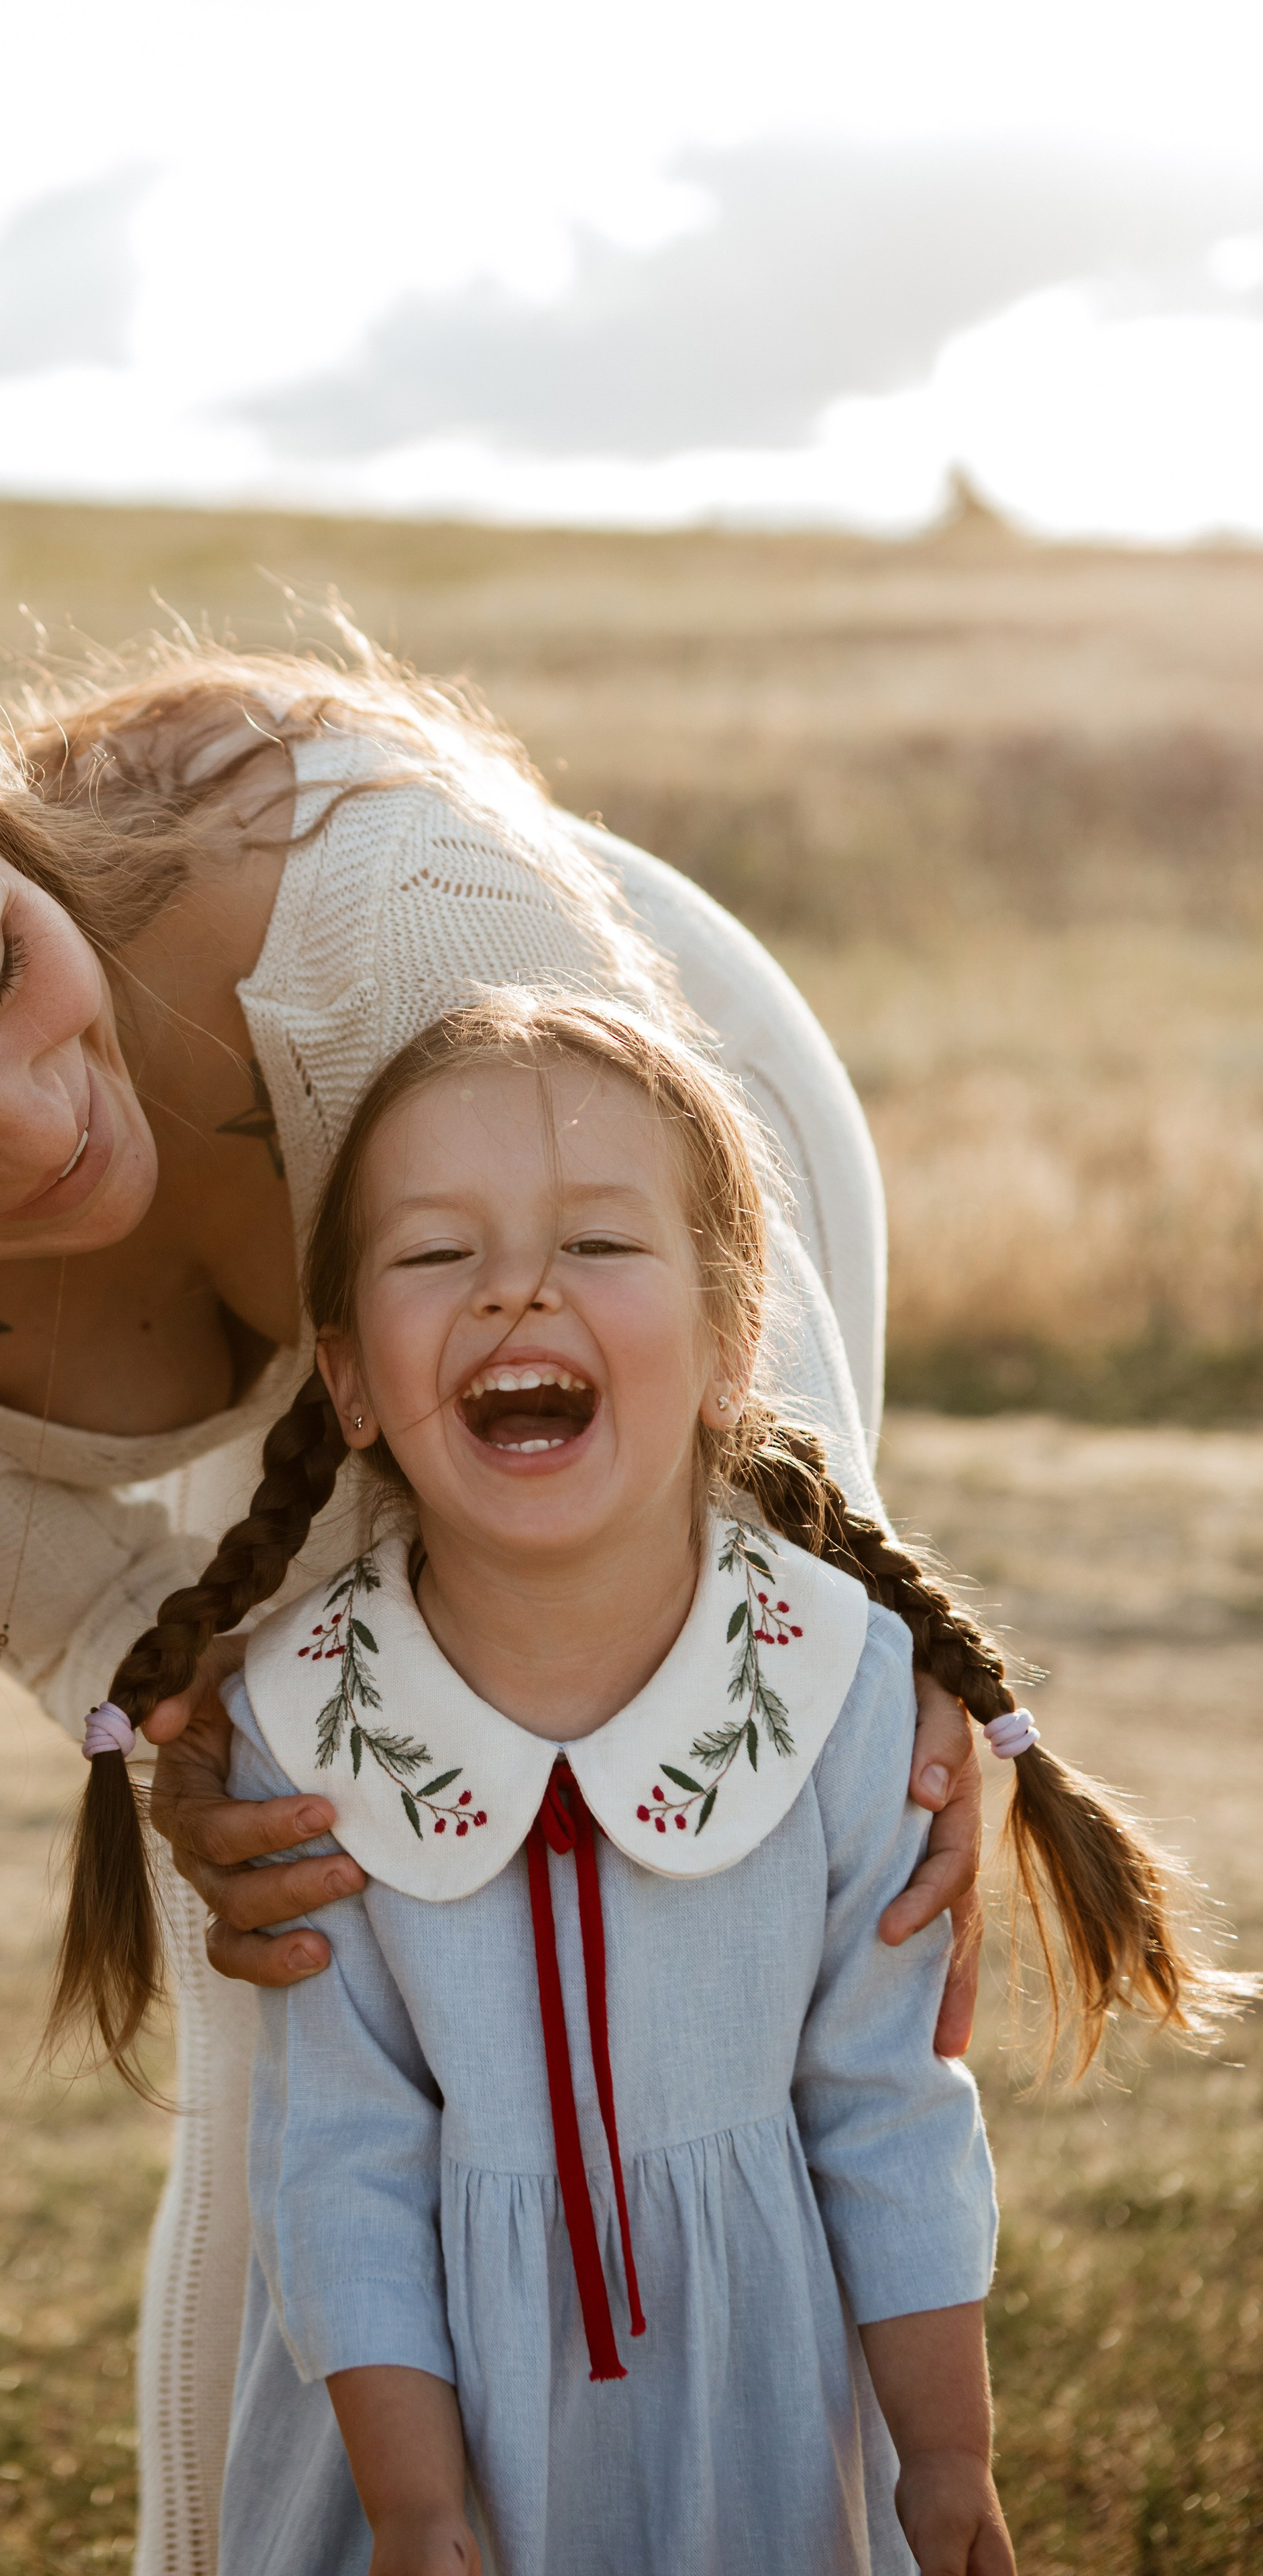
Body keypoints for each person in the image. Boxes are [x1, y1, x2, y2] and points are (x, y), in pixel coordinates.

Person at [0, 614, 976, 2571]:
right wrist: (197, 1775)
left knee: (703, 1928)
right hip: (355, 1327)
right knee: (306, 1964)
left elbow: (750, 1504)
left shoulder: (391, 916)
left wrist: (875, 1690)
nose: (39, 1129)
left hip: (629, 1109)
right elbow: (112, 1647)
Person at [97, 993, 1231, 2576]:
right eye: (437, 1255)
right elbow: (341, 2172)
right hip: (432, 2450)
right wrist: (418, 2517)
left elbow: (886, 2113)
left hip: (760, 2428)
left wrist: (948, 2462)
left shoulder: (834, 1687)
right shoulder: (306, 1729)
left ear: (728, 1346)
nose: (514, 1290)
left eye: (597, 1247)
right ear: (351, 1385)